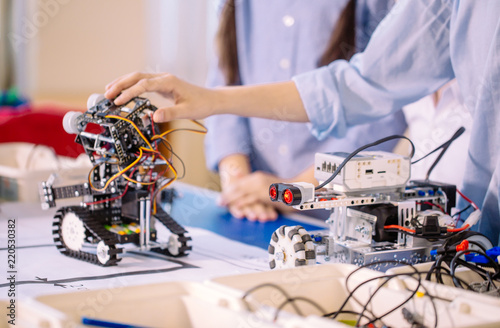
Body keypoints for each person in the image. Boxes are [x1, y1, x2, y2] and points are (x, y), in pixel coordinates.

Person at [105, 0, 500, 246]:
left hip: (333, 209)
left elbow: (374, 113)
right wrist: (236, 164)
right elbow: (359, 86)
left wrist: (292, 188)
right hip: (264, 208)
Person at [205, 0, 407, 222]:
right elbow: (226, 80)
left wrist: (299, 190)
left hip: (339, 212)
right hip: (257, 209)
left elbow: (382, 104)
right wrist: (238, 185)